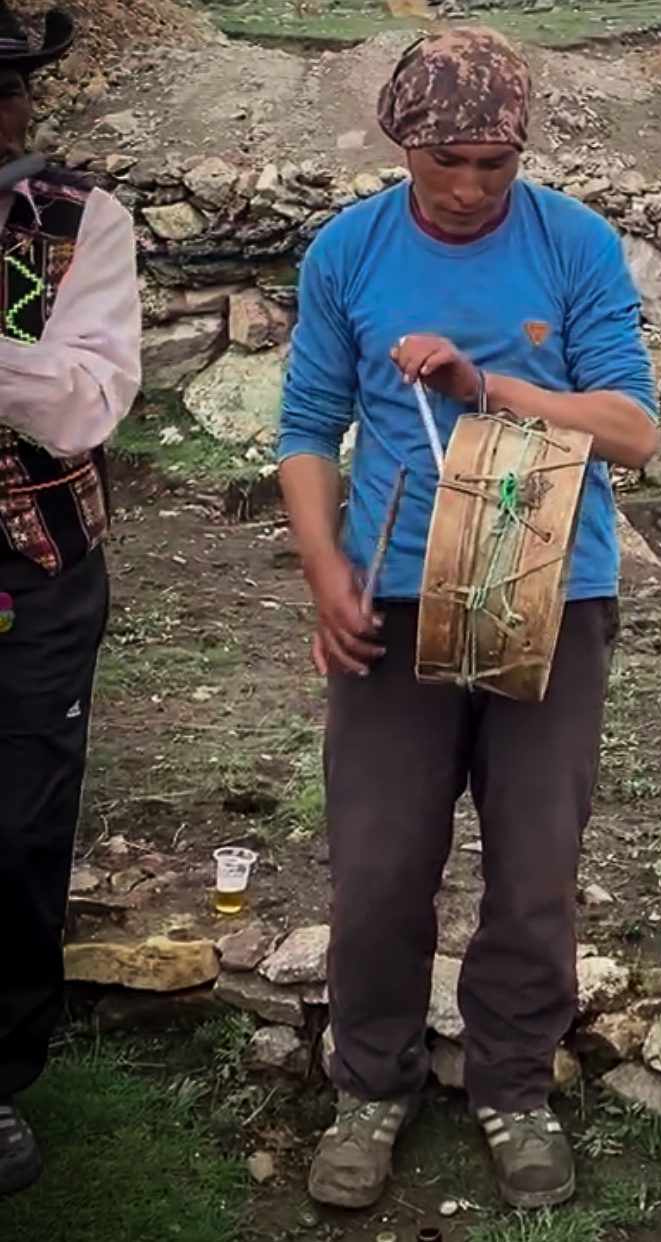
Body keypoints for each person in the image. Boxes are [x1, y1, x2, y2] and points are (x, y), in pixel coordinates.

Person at [277, 26, 658, 1213]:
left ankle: (512, 1084)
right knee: (382, 860)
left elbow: (634, 432)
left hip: (552, 588)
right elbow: (305, 428)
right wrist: (325, 567)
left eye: (497, 162)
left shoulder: (575, 245)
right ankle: (372, 1083)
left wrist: (486, 386)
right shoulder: (349, 251)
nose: (471, 185)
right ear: (402, 141)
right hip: (391, 597)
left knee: (537, 864)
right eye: (448, 159)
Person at [0, 0, 142, 1198]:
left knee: (18, 819)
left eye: (10, 95)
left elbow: (88, 404)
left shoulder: (79, 223)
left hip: (32, 566)